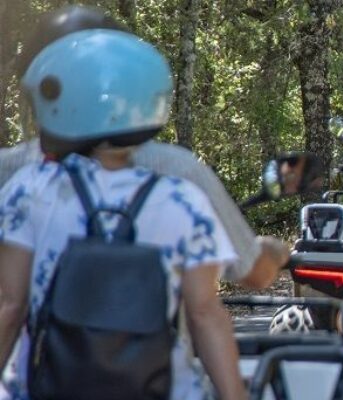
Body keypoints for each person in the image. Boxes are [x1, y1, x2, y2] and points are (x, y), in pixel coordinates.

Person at [0, 29, 245, 400]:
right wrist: (235, 396)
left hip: (44, 388)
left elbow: (11, 305)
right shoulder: (182, 201)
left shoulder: (30, 191)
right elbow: (205, 314)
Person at [0, 5, 287, 290]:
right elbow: (253, 273)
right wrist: (274, 251)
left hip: (32, 336)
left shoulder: (12, 172)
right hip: (159, 337)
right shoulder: (177, 170)